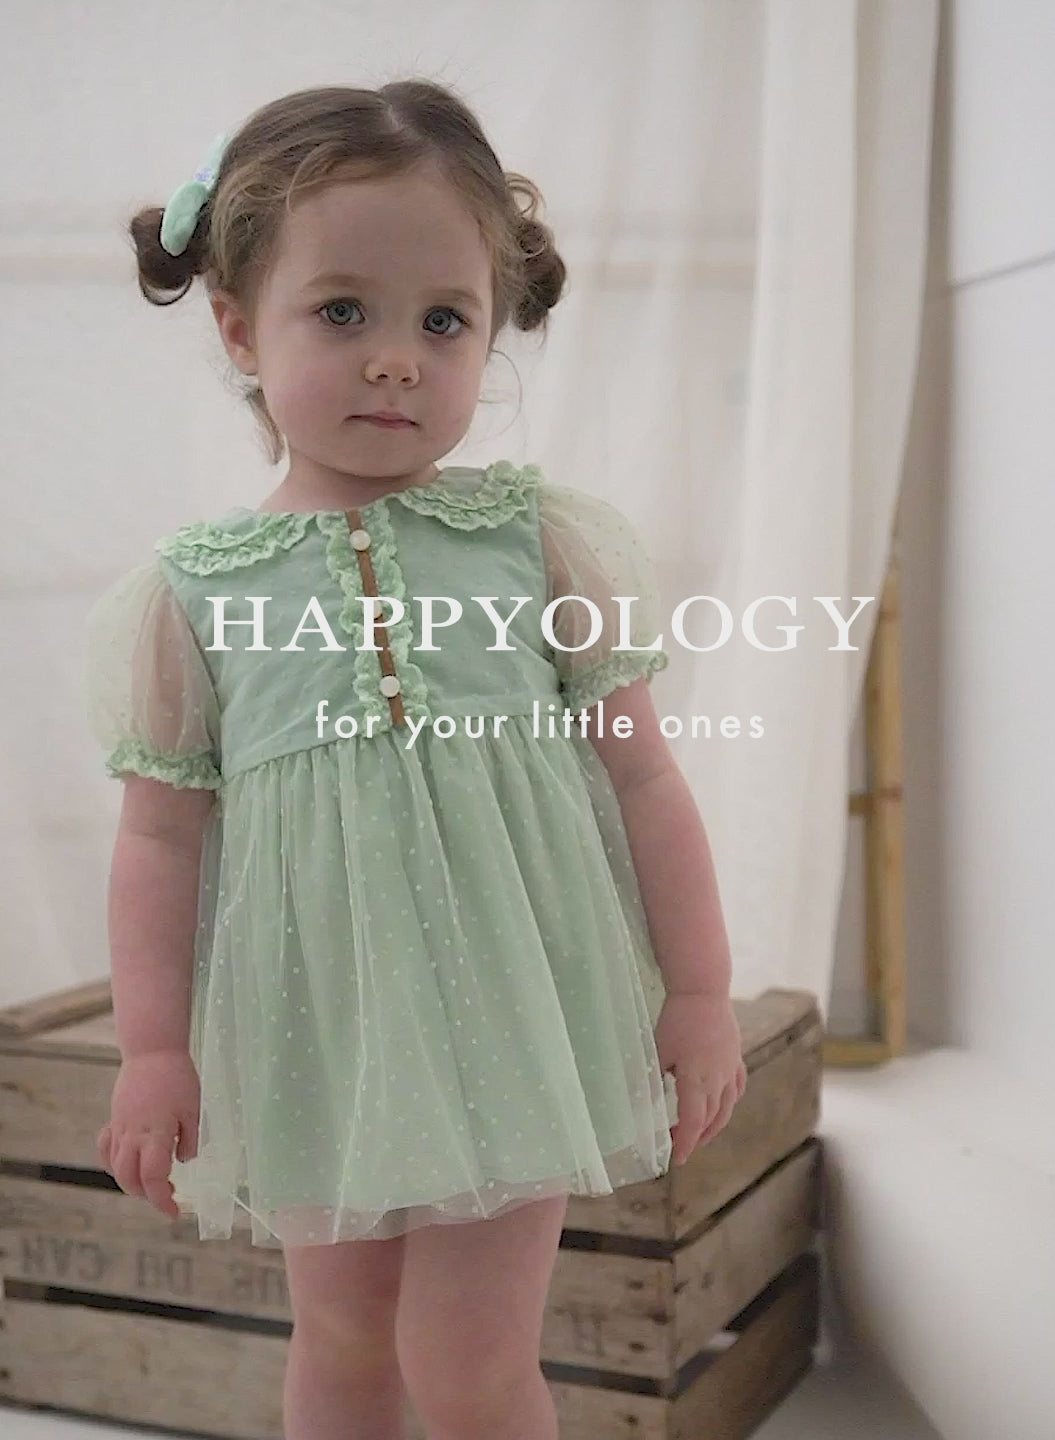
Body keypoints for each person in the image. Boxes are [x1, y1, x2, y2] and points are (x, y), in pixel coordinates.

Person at [84, 80, 747, 1440]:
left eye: (443, 321)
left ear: (492, 330)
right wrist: (153, 1047)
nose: (396, 360)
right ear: (238, 325)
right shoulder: (196, 594)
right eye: (343, 313)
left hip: (515, 1014)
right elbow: (158, 836)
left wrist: (701, 991)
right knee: (338, 1341)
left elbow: (643, 779)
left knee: (469, 1358)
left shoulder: (537, 543)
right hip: (321, 1032)